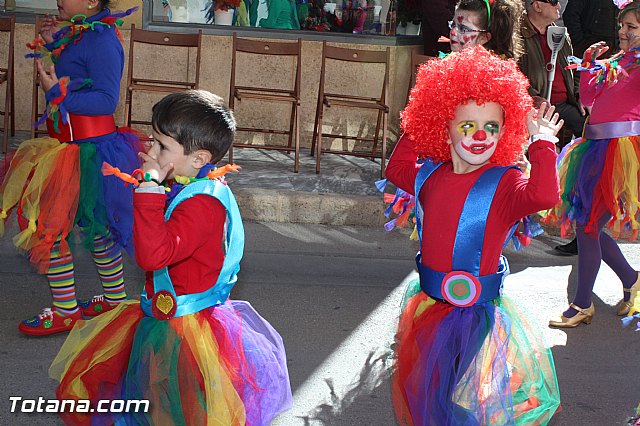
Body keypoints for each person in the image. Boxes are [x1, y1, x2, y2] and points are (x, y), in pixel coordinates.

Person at [49, 90, 293, 425]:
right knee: (160, 397)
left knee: (177, 400)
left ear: (198, 158)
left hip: (183, 328)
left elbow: (153, 256)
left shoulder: (201, 203)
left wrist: (149, 189)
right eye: (154, 140)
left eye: (162, 146)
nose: (150, 151)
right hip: (170, 315)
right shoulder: (192, 182)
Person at [387, 46, 562, 425]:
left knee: (456, 401)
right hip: (430, 307)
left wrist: (542, 142)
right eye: (467, 125)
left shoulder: (505, 183)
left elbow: (545, 195)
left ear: (506, 131)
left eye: (492, 127)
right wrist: (419, 123)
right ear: (444, 125)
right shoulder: (430, 175)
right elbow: (396, 166)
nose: (480, 136)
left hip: (473, 317)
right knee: (426, 394)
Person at [0, 1, 140, 335]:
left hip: (89, 151)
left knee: (55, 226)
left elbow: (106, 100)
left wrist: (59, 96)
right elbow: (77, 77)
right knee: (91, 227)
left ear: (92, 1)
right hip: (67, 146)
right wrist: (53, 43)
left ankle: (67, 310)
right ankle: (114, 298)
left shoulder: (104, 39)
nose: (59, 0)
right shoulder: (80, 33)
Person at [548, 0, 640, 328]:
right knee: (587, 224)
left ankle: (582, 304)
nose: (623, 33)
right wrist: (589, 65)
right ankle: (631, 278)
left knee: (588, 226)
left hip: (623, 155)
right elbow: (588, 101)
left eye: (632, 27)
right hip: (594, 148)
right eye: (621, 26)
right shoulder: (615, 61)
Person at [519, 0, 586, 141]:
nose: (559, 6)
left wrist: (579, 95)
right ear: (537, 6)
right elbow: (513, 75)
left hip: (565, 104)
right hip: (535, 108)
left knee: (589, 128)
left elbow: (574, 68)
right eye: (554, 2)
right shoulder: (517, 36)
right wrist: (533, 97)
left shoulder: (560, 34)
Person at [448, 0, 524, 59]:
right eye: (453, 24)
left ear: (484, 38)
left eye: (463, 29)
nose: (453, 32)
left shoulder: (494, 74)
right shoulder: (448, 64)